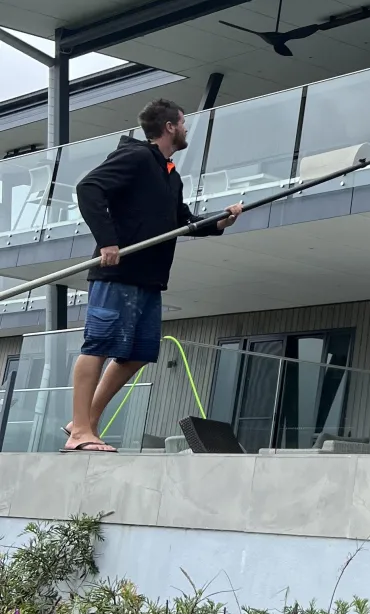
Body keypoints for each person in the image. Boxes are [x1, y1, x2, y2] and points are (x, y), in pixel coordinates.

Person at [63, 98, 243, 451]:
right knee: (98, 346)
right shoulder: (136, 157)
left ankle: (83, 424)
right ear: (170, 127)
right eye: (184, 122)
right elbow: (89, 188)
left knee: (138, 354)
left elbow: (181, 221)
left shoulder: (169, 175)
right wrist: (107, 242)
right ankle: (81, 430)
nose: (187, 128)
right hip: (118, 273)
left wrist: (220, 221)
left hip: (149, 278)